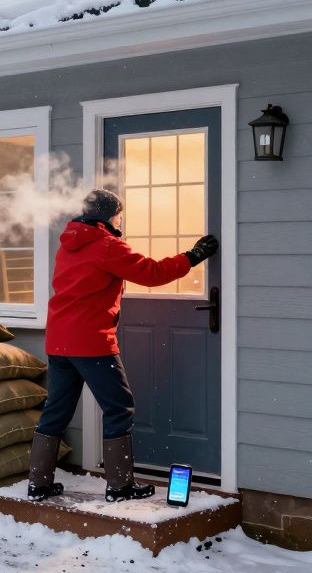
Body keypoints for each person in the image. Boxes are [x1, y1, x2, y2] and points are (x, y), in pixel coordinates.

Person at [28, 189, 218, 502]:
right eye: (118, 215)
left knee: (57, 411)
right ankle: (120, 486)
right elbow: (152, 273)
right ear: (108, 216)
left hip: (59, 340)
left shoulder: (69, 243)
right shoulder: (106, 246)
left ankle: (39, 483)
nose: (121, 221)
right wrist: (192, 257)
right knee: (119, 407)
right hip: (90, 341)